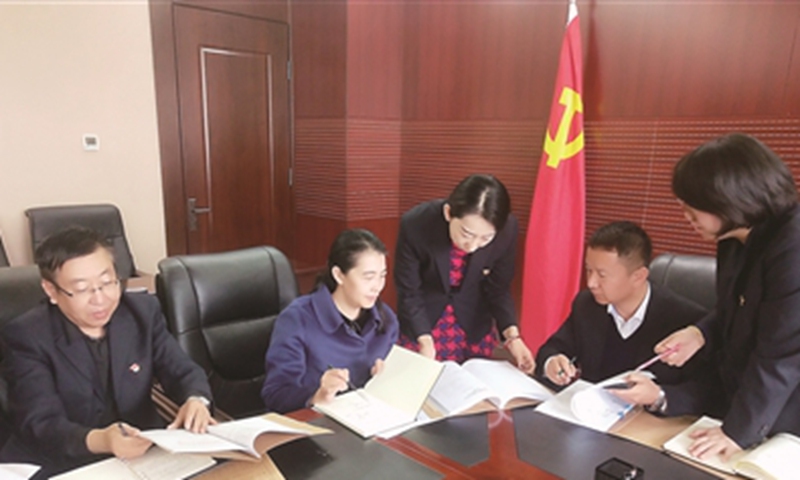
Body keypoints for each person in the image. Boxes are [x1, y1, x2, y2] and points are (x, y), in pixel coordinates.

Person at [0, 227, 213, 477]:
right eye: (81, 289)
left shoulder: (141, 312)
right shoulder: (28, 335)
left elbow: (181, 370)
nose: (100, 299)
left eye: (107, 282)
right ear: (51, 291)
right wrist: (102, 440)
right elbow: (41, 423)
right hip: (64, 460)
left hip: (143, 454)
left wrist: (196, 400)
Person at [655, 133, 800, 460]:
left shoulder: (793, 246)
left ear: (731, 199)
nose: (687, 218)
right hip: (747, 401)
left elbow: (782, 355)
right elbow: (735, 307)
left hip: (784, 414)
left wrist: (737, 431)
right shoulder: (733, 238)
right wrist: (699, 333)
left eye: (693, 210)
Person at [535, 221, 708, 415]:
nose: (591, 283)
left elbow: (706, 390)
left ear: (638, 276)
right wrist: (552, 362)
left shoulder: (685, 321)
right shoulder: (587, 305)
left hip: (649, 426)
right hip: (593, 419)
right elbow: (552, 348)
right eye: (588, 270)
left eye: (602, 275)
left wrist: (659, 396)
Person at [394, 174, 534, 372]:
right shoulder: (416, 224)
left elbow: (499, 289)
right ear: (449, 213)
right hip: (425, 320)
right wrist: (424, 339)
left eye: (485, 238)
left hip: (473, 320)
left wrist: (513, 337)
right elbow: (409, 291)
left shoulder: (507, 229)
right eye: (466, 234)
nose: (473, 246)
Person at [261, 229, 398, 413]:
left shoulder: (385, 318)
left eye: (382, 275)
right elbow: (275, 394)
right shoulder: (297, 318)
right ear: (339, 275)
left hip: (369, 422)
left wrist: (386, 380)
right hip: (317, 428)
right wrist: (318, 394)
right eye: (369, 277)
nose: (378, 286)